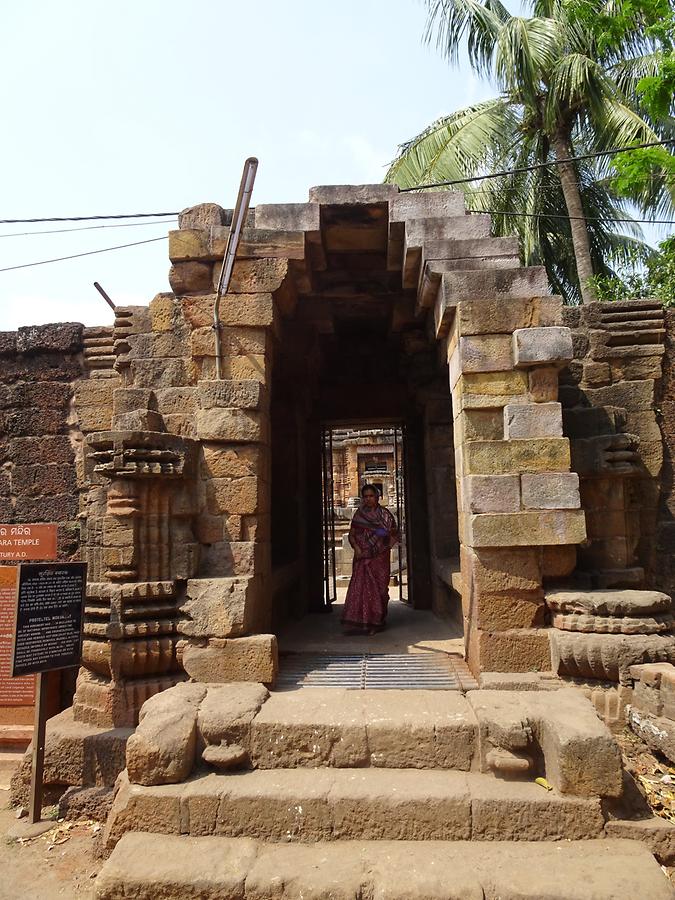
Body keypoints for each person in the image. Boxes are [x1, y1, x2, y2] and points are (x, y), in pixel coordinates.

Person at [342, 484, 399, 635]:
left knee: (380, 590)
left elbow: (392, 533)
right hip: (362, 557)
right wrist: (358, 549)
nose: (368, 499)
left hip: (379, 558)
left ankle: (377, 622)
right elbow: (352, 534)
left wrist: (378, 532)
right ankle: (361, 622)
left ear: (377, 497)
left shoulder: (385, 515)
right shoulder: (359, 515)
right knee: (360, 588)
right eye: (365, 496)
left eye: (371, 496)